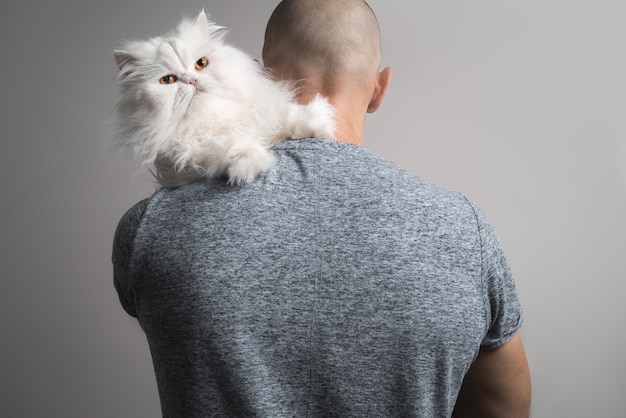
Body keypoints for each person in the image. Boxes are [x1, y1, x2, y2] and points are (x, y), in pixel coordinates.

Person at [112, 0, 531, 416]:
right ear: (379, 89)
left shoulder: (152, 227)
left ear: (263, 74)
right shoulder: (461, 229)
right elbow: (502, 402)